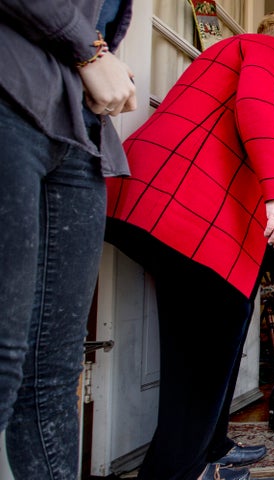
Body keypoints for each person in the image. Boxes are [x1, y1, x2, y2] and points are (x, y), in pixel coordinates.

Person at [104, 8, 274, 480]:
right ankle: (179, 469)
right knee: (200, 369)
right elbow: (257, 110)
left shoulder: (230, 54)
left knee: (222, 327)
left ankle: (213, 447)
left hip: (171, 210)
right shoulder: (271, 52)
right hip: (195, 218)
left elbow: (240, 149)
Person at [0, 1, 137, 479]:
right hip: (11, 95)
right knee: (2, 353)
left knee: (54, 371)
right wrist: (92, 52)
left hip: (81, 134)